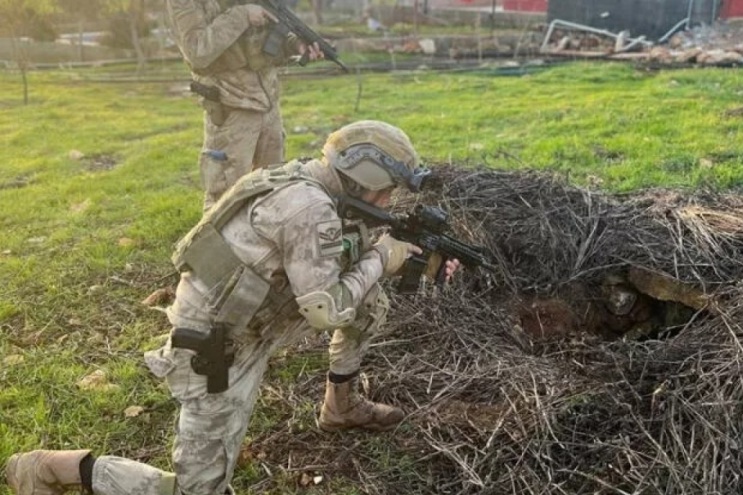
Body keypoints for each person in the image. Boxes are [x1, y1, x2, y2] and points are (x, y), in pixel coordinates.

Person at [4, 120, 461, 495]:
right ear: (363, 178)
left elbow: (335, 260)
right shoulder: (307, 208)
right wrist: (384, 256)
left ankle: (340, 407)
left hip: (258, 315)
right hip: (216, 345)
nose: (388, 202)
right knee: (196, 490)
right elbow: (325, 310)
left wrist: (417, 260)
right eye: (387, 191)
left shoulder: (313, 184)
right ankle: (49, 469)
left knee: (369, 303)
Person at [167, 0, 324, 210]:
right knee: (225, 197)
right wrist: (242, 15)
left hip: (268, 106)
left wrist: (294, 45)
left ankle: (266, 239)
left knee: (272, 187)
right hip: (231, 109)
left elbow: (262, 41)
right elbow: (197, 51)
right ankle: (215, 243)